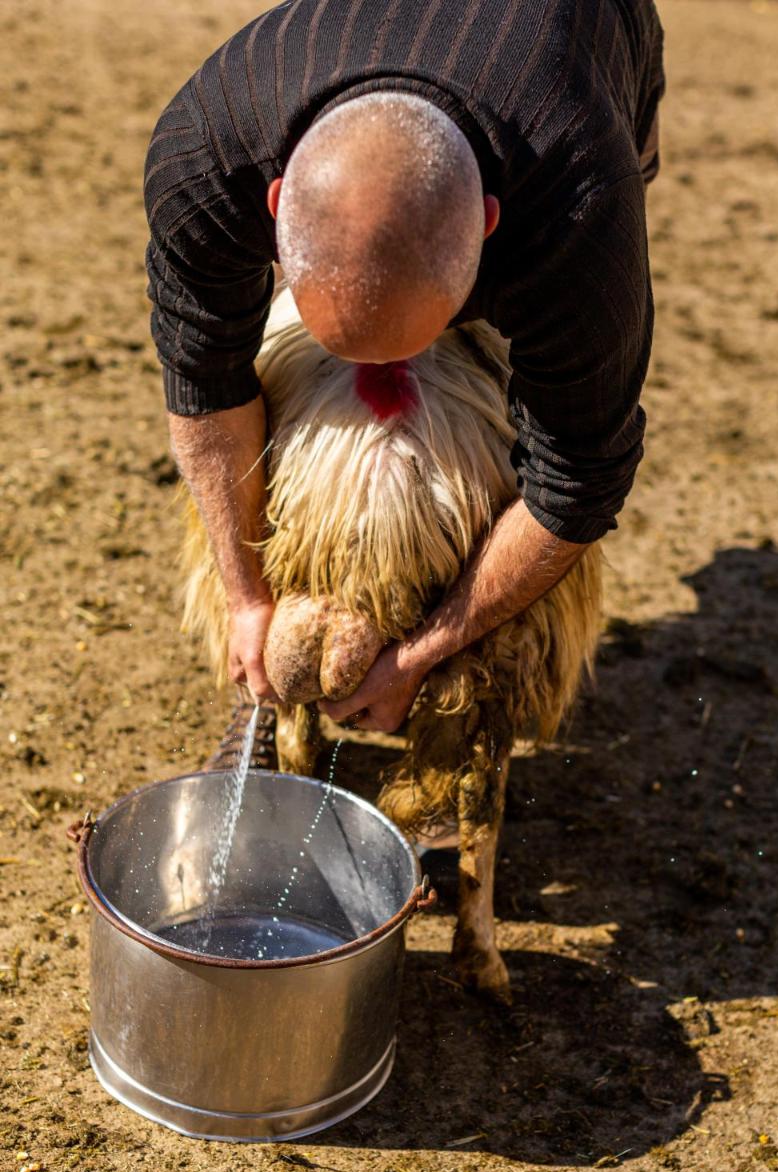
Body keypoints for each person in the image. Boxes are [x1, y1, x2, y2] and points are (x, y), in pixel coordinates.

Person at [144, 0, 665, 740]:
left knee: (575, 390)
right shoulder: (204, 152)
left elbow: (580, 477)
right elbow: (203, 378)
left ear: (489, 226)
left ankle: (481, 680)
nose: (391, 370)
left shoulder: (583, 215)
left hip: (582, 45)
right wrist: (245, 596)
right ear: (277, 203)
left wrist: (428, 651)